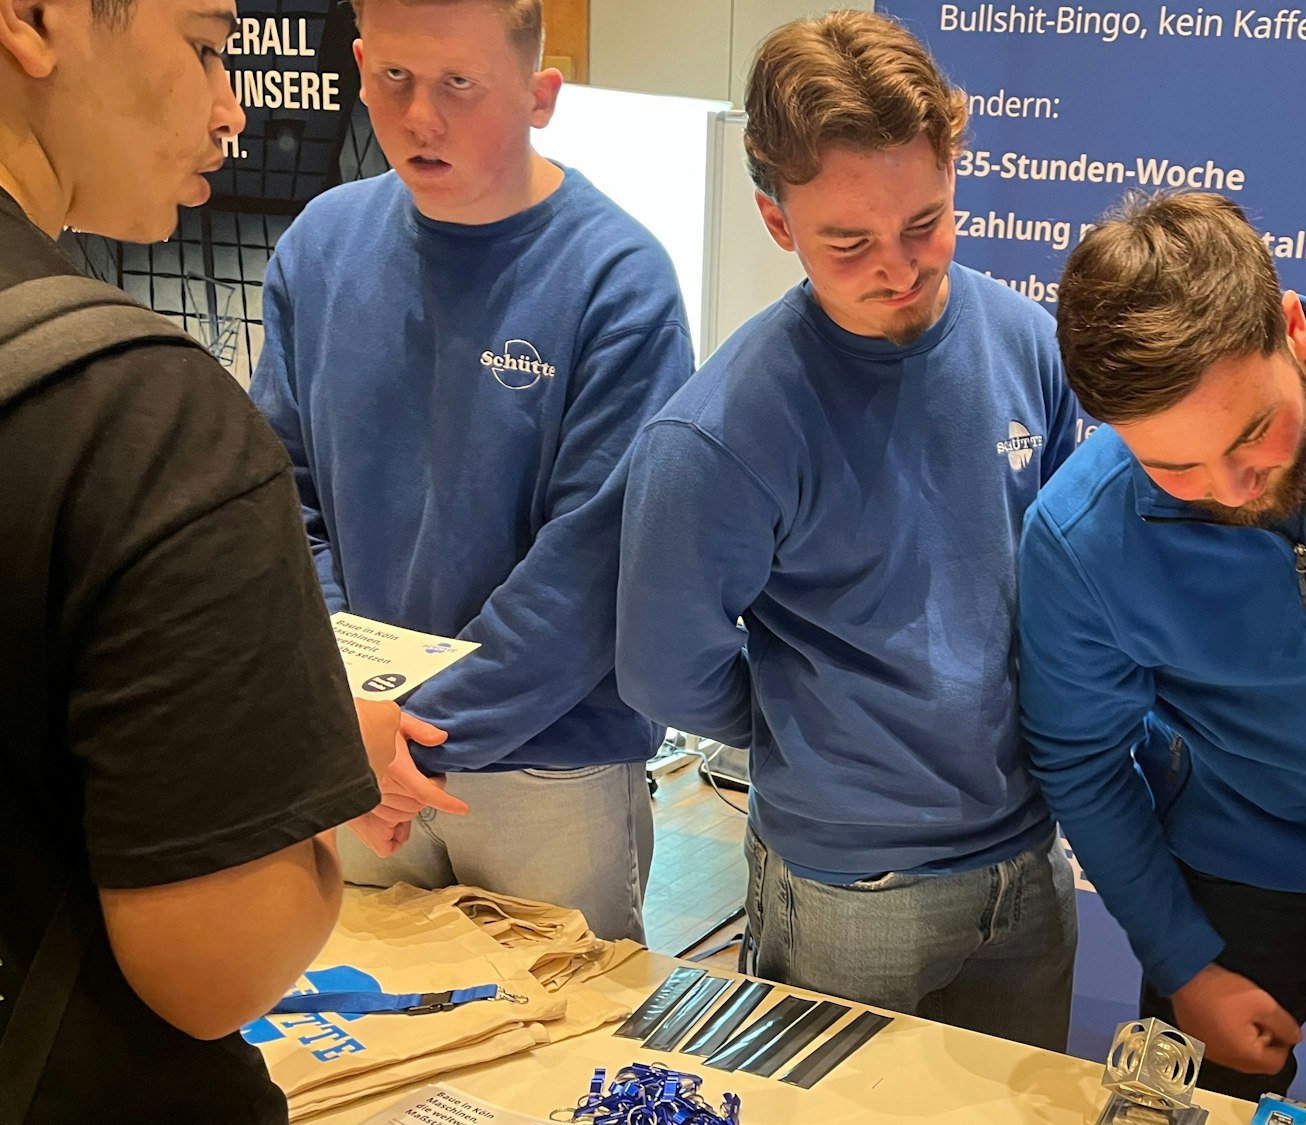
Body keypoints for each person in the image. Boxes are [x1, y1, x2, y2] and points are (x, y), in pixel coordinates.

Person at [617, 10, 1081, 1049]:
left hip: (1027, 863)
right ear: (777, 224)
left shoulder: (1027, 344)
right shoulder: (719, 432)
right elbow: (663, 668)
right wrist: (815, 726)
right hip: (846, 890)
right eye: (849, 243)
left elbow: (1067, 595)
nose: (900, 269)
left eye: (925, 223)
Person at [0, 1, 403, 1119]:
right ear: (35, 20)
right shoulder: (134, 415)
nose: (232, 107)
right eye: (206, 46)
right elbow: (212, 967)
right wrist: (306, 776)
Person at [1018, 192, 1306, 1123]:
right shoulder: (1080, 536)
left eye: (1251, 433)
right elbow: (1080, 758)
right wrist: (1183, 960)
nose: (1229, 487)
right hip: (1230, 888)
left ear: (1293, 328)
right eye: (1173, 469)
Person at [251, 0, 694, 941]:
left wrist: (403, 737)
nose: (420, 118)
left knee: (561, 1068)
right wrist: (355, 713)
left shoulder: (617, 278)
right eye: (395, 80)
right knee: (377, 1058)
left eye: (460, 84)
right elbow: (281, 506)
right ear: (360, 66)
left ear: (540, 96)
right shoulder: (318, 251)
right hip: (360, 750)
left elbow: (590, 567)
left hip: (548, 767)